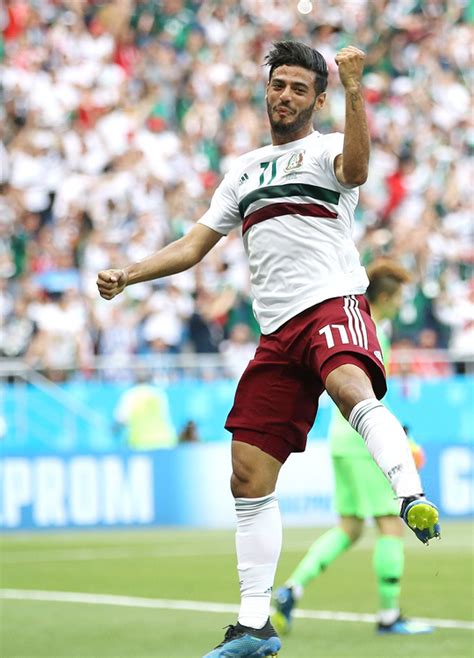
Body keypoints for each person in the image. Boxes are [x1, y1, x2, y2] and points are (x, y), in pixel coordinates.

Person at [97, 41, 440, 658]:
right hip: (277, 333)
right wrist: (129, 273)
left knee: (347, 387)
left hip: (331, 304)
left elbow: (358, 170)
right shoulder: (243, 171)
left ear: (317, 98)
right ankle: (254, 626)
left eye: (298, 88)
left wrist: (358, 88)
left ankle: (409, 494)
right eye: (277, 85)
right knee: (247, 476)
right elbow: (194, 245)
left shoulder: (329, 146)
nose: (284, 95)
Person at [273, 259, 434, 638]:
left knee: (349, 527)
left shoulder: (352, 324)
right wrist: (400, 439)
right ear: (388, 296)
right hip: (362, 441)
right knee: (391, 525)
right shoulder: (374, 331)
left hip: (341, 437)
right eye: (400, 296)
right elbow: (372, 397)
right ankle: (389, 616)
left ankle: (290, 590)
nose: (401, 303)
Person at [114, 371, 178, 450]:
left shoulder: (130, 395)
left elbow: (121, 419)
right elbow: (165, 416)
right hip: (165, 441)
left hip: (141, 443)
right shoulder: (158, 393)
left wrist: (115, 428)